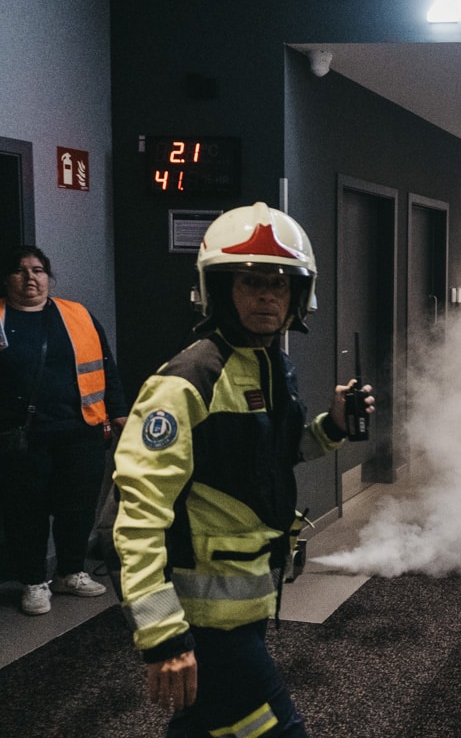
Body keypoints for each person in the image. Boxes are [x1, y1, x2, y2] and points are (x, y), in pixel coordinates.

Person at [112, 202, 374, 737]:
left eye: (279, 284)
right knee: (273, 728)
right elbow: (137, 519)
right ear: (219, 290)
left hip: (249, 601)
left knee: (203, 726)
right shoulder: (186, 382)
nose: (267, 296)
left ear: (298, 295)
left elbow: (270, 456)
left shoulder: (272, 366)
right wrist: (162, 636)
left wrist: (334, 426)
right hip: (202, 620)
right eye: (251, 281)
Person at [0, 245, 128, 616]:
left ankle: (70, 572)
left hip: (81, 430)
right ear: (7, 279)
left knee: (78, 508)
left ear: (49, 277)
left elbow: (106, 367)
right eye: (20, 271)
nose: (30, 278)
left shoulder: (78, 315)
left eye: (38, 270)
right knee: (27, 512)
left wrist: (119, 414)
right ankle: (33, 582)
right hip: (24, 438)